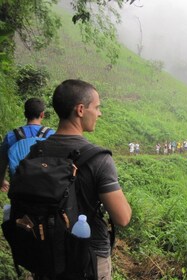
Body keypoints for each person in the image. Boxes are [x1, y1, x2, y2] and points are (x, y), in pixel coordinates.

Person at [42, 79, 132, 279]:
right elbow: (123, 218)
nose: (99, 113)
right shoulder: (98, 159)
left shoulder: (36, 151)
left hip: (46, 251)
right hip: (87, 257)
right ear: (81, 110)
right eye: (97, 107)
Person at [0, 97, 55, 192]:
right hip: (46, 188)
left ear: (25, 114)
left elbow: (2, 162)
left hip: (19, 188)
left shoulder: (11, 136)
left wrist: (1, 181)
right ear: (42, 114)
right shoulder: (51, 135)